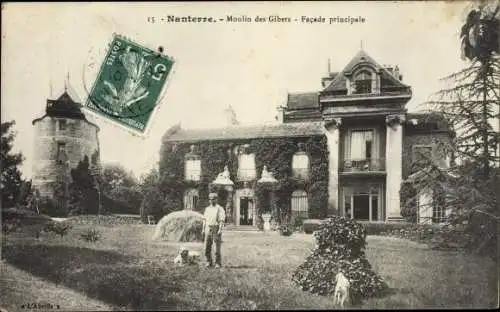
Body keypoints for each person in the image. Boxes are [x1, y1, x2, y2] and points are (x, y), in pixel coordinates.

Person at [202, 192, 226, 268]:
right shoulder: (207, 209)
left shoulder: (220, 208)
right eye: (210, 199)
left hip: (216, 228)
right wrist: (203, 229)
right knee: (206, 248)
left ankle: (217, 263)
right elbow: (204, 220)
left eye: (213, 199)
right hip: (207, 229)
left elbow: (221, 220)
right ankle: (209, 262)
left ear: (216, 199)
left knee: (216, 248)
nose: (211, 201)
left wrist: (220, 230)